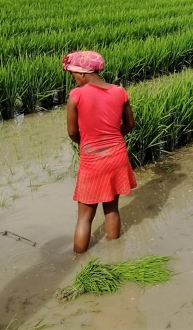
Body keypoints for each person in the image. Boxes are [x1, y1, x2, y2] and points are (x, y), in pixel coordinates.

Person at [62, 51, 136, 253]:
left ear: (84, 73)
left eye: (74, 74)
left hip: (92, 159)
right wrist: (114, 139)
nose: (74, 79)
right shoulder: (120, 92)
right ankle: (114, 255)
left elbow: (72, 133)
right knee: (111, 209)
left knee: (85, 217)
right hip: (117, 155)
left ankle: (79, 261)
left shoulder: (76, 95)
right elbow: (130, 124)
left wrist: (85, 144)